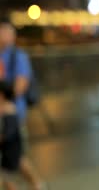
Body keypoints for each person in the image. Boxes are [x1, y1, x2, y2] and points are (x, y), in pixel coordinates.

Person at [0, 21, 46, 190]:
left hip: (13, 116)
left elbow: (20, 86)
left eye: (7, 32)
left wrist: (5, 98)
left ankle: (37, 184)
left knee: (16, 158)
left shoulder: (18, 56)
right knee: (7, 162)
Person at [0, 83, 24, 190]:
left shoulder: (8, 109)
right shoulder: (5, 108)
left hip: (10, 150)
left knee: (6, 177)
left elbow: (8, 133)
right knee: (6, 178)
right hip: (9, 149)